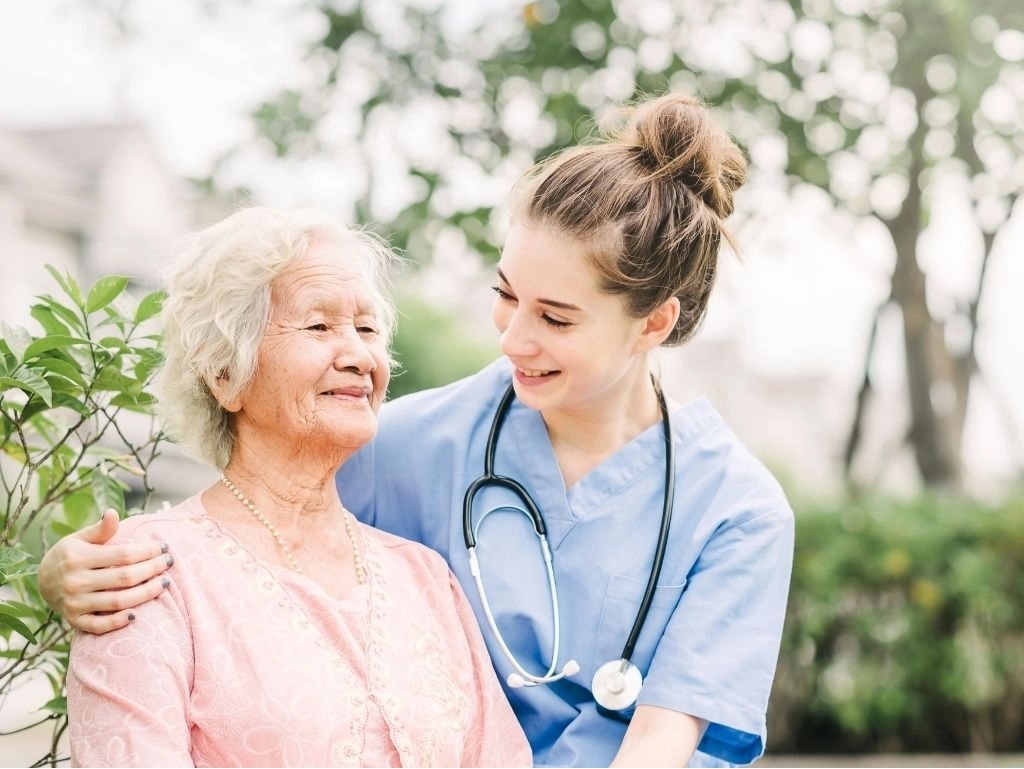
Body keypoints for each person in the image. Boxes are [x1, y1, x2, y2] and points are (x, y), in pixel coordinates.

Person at [42, 93, 794, 768]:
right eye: (507, 295)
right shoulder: (408, 442)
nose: (512, 338)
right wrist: (68, 572)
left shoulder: (737, 511)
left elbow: (664, 737)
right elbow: (247, 529)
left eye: (556, 318)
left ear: (654, 323)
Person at [62, 207, 531, 767]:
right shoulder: (145, 574)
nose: (360, 356)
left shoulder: (425, 577)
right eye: (318, 327)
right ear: (225, 374)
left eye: (367, 330)